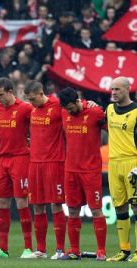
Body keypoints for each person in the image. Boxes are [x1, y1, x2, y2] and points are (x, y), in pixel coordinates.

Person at [57, 87, 107, 261]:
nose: (69, 111)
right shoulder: (64, 113)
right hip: (70, 170)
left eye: (70, 107)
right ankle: (74, 250)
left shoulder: (95, 112)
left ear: (77, 100)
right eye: (66, 108)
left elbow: (114, 130)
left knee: (96, 209)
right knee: (72, 211)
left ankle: (101, 250)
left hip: (90, 170)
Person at [0, 78, 33, 258]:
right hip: (2, 160)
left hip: (20, 158)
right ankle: (2, 248)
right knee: (1, 202)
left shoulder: (25, 108)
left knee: (21, 201)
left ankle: (28, 248)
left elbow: (39, 125)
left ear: (11, 91)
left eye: (1, 94)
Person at [24, 81, 66, 259]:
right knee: (37, 206)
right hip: (34, 163)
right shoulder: (32, 109)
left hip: (54, 162)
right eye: (29, 100)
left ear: (41, 94)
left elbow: (77, 110)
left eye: (33, 99)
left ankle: (60, 249)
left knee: (55, 204)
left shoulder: (58, 106)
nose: (31, 103)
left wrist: (89, 103)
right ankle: (41, 249)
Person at [105, 77, 137, 262]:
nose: (114, 92)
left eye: (117, 89)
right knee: (120, 207)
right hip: (113, 163)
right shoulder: (109, 110)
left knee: (136, 206)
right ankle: (124, 251)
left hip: (132, 162)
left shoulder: (136, 111)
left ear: (127, 89)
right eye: (112, 89)